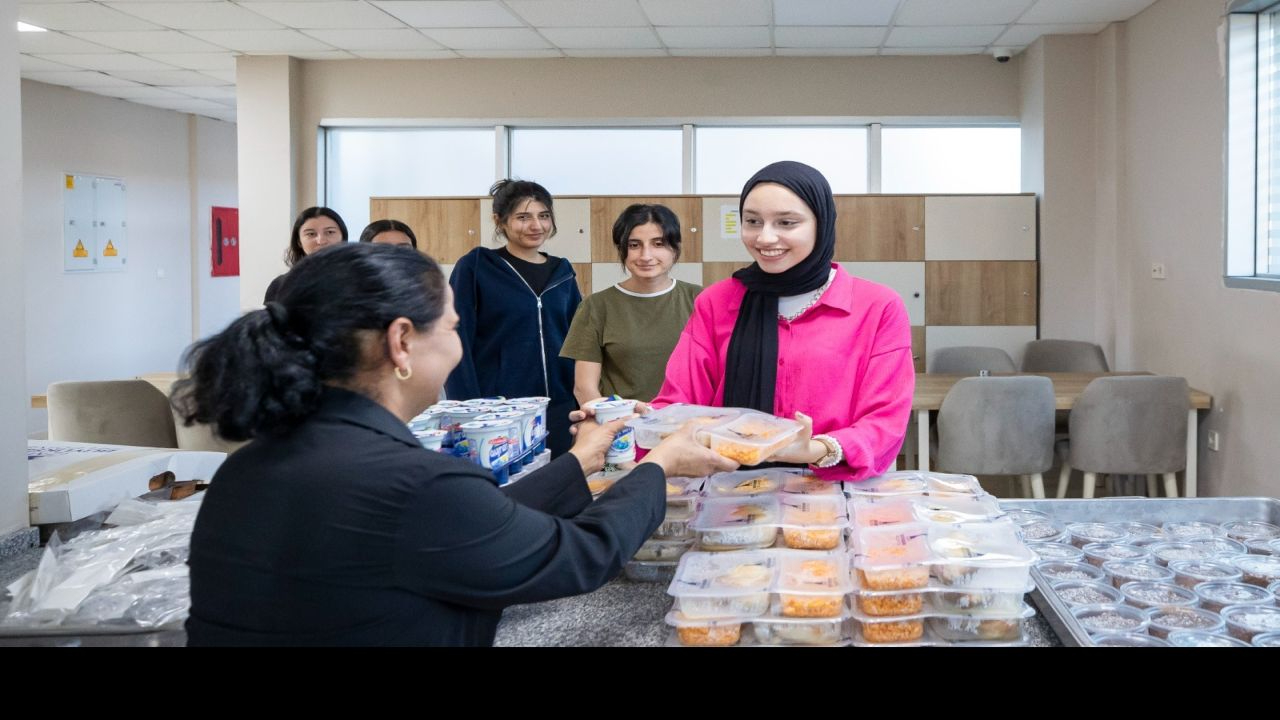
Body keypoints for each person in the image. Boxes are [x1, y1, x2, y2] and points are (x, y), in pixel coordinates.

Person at [173, 243, 735, 646]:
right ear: (401, 342)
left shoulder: (252, 464)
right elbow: (578, 556)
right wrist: (659, 465)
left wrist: (579, 461)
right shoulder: (412, 484)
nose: (458, 345)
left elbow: (473, 522)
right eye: (452, 327)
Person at [651, 161, 915, 481]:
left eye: (786, 222)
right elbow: (679, 401)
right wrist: (637, 422)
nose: (765, 238)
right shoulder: (717, 303)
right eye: (752, 221)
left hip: (830, 497)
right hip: (729, 493)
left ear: (822, 224)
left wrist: (818, 449)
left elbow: (885, 421)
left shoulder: (877, 307)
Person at [445, 179, 580, 456]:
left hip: (560, 407)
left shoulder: (563, 272)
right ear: (500, 220)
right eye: (523, 217)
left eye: (543, 216)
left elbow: (579, 339)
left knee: (562, 488)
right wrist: (469, 411)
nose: (536, 226)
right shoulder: (477, 267)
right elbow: (455, 339)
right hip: (499, 412)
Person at [561, 204, 700, 405]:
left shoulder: (700, 299)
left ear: (675, 247)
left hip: (686, 424)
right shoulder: (596, 306)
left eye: (658, 244)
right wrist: (615, 422)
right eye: (634, 245)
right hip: (622, 426)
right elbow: (584, 388)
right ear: (622, 249)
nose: (646, 256)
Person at [264, 206, 347, 303]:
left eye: (329, 232)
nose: (320, 241)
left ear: (343, 238)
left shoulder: (359, 280)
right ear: (299, 241)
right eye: (311, 234)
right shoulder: (280, 286)